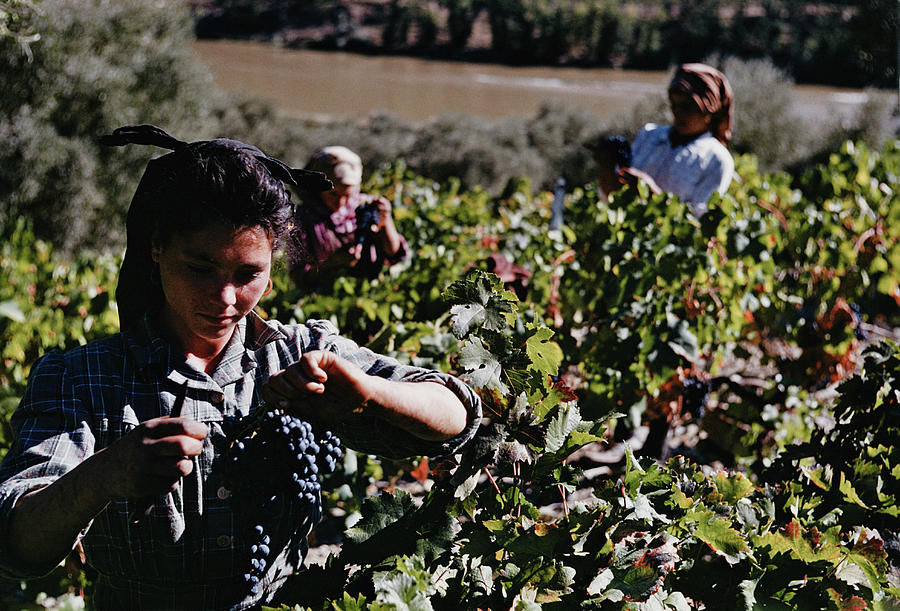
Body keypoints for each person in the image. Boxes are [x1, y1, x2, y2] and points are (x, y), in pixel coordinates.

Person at [0, 125, 482, 610]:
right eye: (199, 268)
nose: (225, 298)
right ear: (156, 249)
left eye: (248, 274)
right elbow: (17, 543)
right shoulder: (82, 377)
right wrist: (104, 474)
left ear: (272, 267)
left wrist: (369, 394)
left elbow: (457, 414)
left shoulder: (302, 350)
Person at [590, 63, 735, 217]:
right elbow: (612, 200)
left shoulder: (717, 160)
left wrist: (653, 194)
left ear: (709, 110)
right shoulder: (649, 135)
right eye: (674, 104)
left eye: (687, 106)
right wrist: (607, 169)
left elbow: (698, 222)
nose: (677, 112)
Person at [290, 145, 407, 286]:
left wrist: (386, 221)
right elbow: (299, 277)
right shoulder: (304, 218)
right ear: (318, 189)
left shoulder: (367, 206)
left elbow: (394, 255)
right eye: (333, 194)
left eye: (348, 195)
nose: (341, 202)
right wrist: (333, 263)